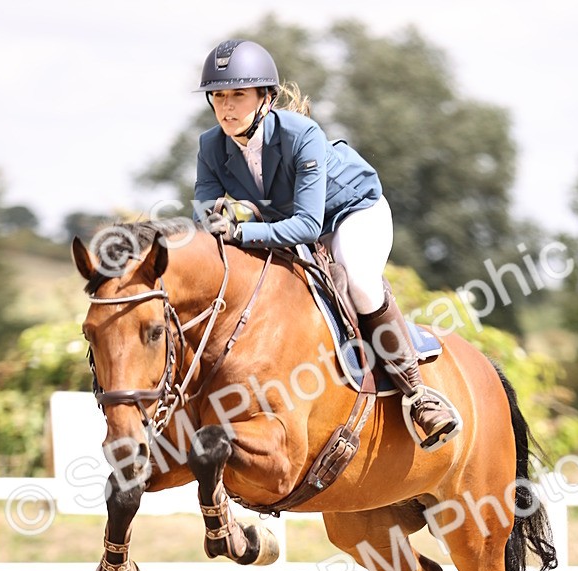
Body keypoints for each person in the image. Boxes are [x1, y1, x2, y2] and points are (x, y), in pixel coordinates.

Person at [193, 39, 459, 450]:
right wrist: (217, 223)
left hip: (352, 212)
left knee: (359, 279)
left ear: (266, 98)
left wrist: (241, 231)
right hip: (288, 221)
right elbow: (206, 216)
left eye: (238, 95)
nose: (226, 107)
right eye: (218, 96)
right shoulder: (211, 145)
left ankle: (418, 394)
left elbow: (307, 225)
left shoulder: (303, 135)